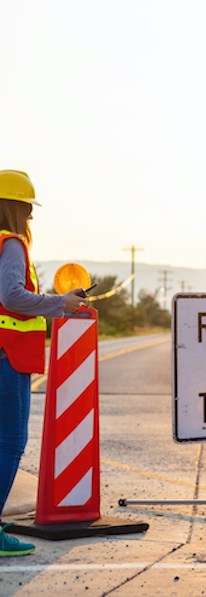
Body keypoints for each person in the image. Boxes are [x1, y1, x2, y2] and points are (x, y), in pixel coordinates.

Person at [0, 170, 85, 556]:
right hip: (9, 356)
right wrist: (60, 304)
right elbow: (13, 297)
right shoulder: (12, 244)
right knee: (9, 444)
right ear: (15, 209)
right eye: (28, 210)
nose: (31, 219)